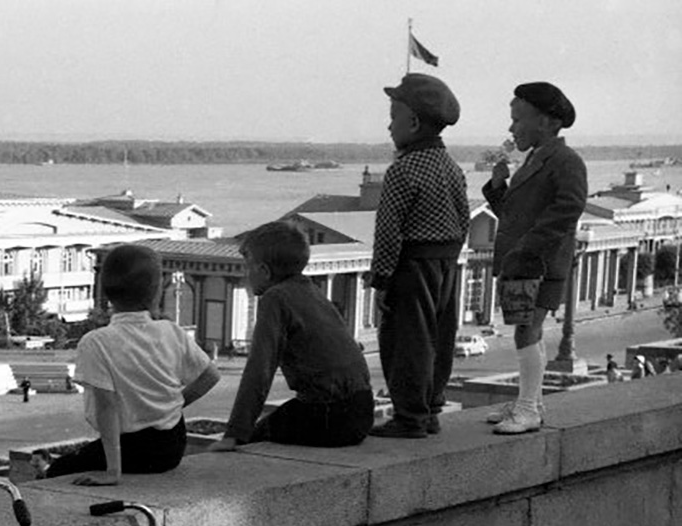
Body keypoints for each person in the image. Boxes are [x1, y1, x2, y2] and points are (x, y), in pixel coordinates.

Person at [44, 243, 220, 485]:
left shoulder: (96, 342)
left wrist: (113, 472)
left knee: (57, 471)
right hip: (173, 445)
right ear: (157, 291)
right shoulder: (170, 331)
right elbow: (210, 376)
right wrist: (175, 406)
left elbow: (107, 408)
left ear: (106, 292)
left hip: (134, 449)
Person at [367, 73, 471, 439]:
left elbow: (388, 231)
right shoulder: (452, 168)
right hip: (447, 264)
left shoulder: (402, 170)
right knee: (439, 338)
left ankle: (409, 416)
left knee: (405, 340)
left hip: (411, 266)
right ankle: (431, 409)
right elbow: (464, 219)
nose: (389, 125)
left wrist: (380, 280)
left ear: (412, 123)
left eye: (393, 117)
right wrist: (449, 259)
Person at [209, 222, 373, 450]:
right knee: (280, 419)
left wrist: (234, 434)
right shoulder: (312, 291)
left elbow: (259, 370)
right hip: (362, 411)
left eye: (248, 267)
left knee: (254, 439)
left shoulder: (275, 298)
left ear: (264, 272)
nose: (246, 275)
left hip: (328, 416)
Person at [482, 82, 588, 434]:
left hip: (540, 263)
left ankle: (527, 409)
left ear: (546, 121)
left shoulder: (566, 161)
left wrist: (529, 246)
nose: (512, 129)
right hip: (525, 261)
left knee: (527, 330)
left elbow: (569, 208)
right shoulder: (537, 159)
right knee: (529, 330)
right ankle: (532, 402)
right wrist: (498, 186)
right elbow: (515, 213)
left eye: (517, 119)